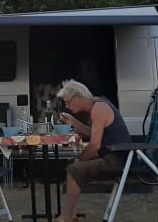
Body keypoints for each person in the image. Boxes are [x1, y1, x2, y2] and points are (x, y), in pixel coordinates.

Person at [54, 79, 130, 222]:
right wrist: (74, 122)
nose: (67, 106)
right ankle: (73, 215)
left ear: (78, 97)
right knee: (73, 166)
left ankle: (66, 217)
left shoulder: (99, 109)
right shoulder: (99, 104)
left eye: (68, 102)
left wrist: (80, 159)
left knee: (73, 169)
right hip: (114, 155)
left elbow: (94, 147)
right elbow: (92, 133)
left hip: (116, 160)